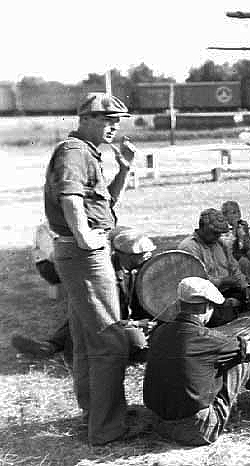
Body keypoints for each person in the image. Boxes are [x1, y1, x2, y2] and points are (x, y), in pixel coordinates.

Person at [42, 92, 136, 445]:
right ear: (85, 119)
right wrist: (85, 237)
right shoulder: (75, 151)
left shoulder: (87, 153)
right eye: (107, 120)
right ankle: (109, 428)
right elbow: (70, 197)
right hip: (84, 254)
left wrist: (124, 169)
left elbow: (105, 205)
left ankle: (93, 413)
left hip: (79, 251)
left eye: (116, 121)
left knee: (84, 339)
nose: (113, 126)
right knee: (111, 339)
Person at [143, 277, 250, 446]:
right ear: (208, 307)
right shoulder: (206, 339)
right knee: (244, 358)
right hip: (196, 430)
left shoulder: (159, 332)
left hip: (157, 423)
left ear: (179, 304)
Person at [12, 229, 157, 363]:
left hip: (132, 323)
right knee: (133, 340)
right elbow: (101, 318)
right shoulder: (104, 277)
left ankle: (53, 346)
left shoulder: (146, 269)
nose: (147, 257)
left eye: (147, 253)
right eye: (141, 255)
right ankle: (51, 346)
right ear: (124, 255)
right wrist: (135, 324)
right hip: (109, 326)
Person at [178, 208, 250, 326]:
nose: (218, 236)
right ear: (202, 227)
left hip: (227, 290)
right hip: (205, 297)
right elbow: (194, 283)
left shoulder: (220, 243)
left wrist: (245, 287)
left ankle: (233, 304)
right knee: (217, 316)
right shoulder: (189, 247)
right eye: (214, 233)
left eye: (219, 233)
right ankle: (231, 306)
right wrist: (222, 281)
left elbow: (234, 267)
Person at [220, 200, 250, 280]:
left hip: (240, 252)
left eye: (238, 211)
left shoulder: (241, 226)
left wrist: (245, 233)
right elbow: (228, 245)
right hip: (227, 254)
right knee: (244, 262)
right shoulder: (222, 227)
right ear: (225, 216)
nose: (238, 215)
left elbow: (245, 244)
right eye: (234, 212)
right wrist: (234, 229)